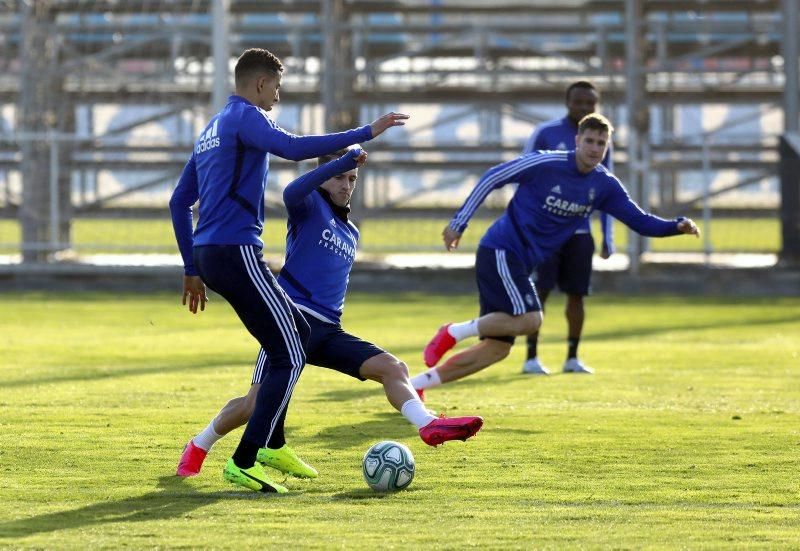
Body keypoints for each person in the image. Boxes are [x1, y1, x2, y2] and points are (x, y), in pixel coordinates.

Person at [169, 47, 408, 493]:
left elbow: (179, 201)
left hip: (210, 253)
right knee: (292, 349)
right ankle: (247, 457)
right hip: (236, 250)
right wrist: (365, 135)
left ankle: (271, 443)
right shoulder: (245, 116)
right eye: (276, 87)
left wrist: (191, 266)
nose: (276, 97)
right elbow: (294, 149)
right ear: (260, 84)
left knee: (292, 338)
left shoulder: (210, 130)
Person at [175, 147, 484, 480]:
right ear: (323, 177)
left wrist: (344, 167)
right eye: (339, 177)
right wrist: (338, 162)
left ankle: (427, 425)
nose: (346, 185)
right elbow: (291, 191)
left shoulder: (352, 233)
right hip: (289, 320)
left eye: (352, 179)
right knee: (254, 405)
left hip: (328, 330)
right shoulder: (308, 204)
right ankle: (198, 446)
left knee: (394, 367)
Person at [411, 113, 699, 399]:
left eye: (601, 143)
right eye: (589, 140)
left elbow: (641, 222)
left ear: (607, 147)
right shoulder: (547, 163)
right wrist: (459, 223)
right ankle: (453, 331)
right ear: (576, 140)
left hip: (520, 263)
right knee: (532, 320)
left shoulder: (604, 185)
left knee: (497, 349)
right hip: (502, 250)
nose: (594, 148)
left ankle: (417, 384)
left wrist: (676, 226)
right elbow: (493, 176)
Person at [521, 81, 614, 375]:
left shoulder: (600, 140)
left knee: (577, 294)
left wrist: (606, 235)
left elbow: (607, 190)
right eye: (579, 102)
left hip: (580, 234)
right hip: (546, 233)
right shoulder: (546, 133)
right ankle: (531, 357)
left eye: (590, 103)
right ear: (567, 102)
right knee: (541, 292)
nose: (585, 107)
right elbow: (523, 174)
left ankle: (572, 357)